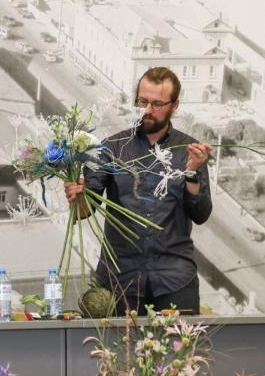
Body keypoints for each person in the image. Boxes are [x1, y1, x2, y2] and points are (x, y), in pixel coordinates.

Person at [64, 67, 212, 316]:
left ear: (175, 105)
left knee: (183, 343)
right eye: (142, 102)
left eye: (157, 104)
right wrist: (77, 196)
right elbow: (83, 211)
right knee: (113, 343)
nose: (147, 110)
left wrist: (192, 173)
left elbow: (200, 214)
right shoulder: (111, 148)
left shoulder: (189, 151)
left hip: (175, 280)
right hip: (119, 279)